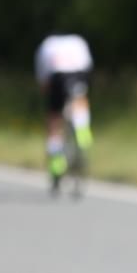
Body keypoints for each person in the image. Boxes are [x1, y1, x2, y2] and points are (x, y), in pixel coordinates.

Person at [35, 33, 94, 182]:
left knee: (54, 119)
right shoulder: (78, 40)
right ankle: (82, 127)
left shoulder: (47, 44)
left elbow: (43, 77)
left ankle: (56, 161)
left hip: (58, 76)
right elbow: (88, 66)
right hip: (79, 74)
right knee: (80, 98)